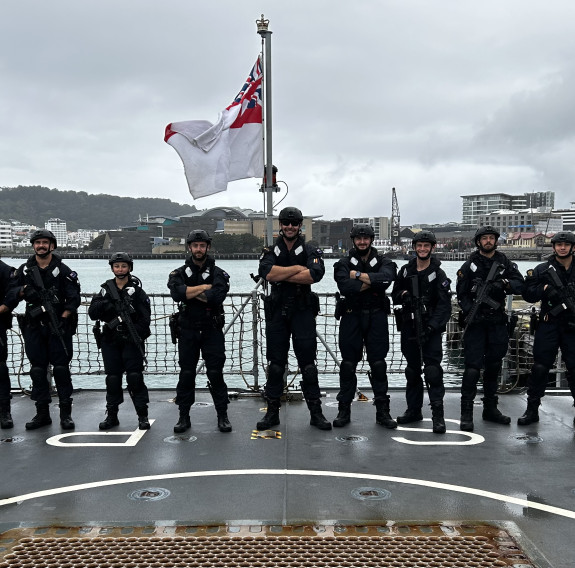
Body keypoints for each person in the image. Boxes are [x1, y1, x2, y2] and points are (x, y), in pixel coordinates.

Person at [257, 206, 331, 431]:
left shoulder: (310, 249)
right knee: (276, 366)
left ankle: (316, 414)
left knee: (308, 365)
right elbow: (267, 273)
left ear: (300, 226)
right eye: (286, 223)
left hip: (302, 311)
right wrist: (298, 269)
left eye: (294, 223)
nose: (290, 227)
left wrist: (284, 273)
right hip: (278, 312)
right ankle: (272, 413)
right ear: (281, 225)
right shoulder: (270, 250)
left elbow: (314, 275)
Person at [9, 229, 81, 430]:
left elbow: (74, 297)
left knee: (61, 369)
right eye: (37, 242)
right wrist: (24, 291)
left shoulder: (64, 270)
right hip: (34, 327)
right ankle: (42, 413)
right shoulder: (24, 270)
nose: (41, 246)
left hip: (57, 326)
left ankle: (65, 414)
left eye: (45, 242)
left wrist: (64, 317)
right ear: (33, 245)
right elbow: (13, 291)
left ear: (52, 245)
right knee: (38, 371)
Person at [456, 225, 524, 431]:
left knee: (494, 366)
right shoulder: (469, 265)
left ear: (496, 241)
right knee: (472, 369)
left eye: (491, 238)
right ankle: (466, 412)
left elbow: (520, 284)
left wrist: (503, 284)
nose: (488, 241)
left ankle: (490, 408)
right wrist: (471, 312)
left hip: (496, 322)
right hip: (476, 323)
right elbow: (461, 294)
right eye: (484, 238)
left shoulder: (505, 263)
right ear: (478, 242)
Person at [332, 223, 397, 428]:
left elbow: (387, 279)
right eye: (358, 238)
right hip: (351, 316)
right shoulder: (342, 263)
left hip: (377, 317)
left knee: (378, 364)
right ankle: (344, 410)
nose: (362, 241)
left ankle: (383, 412)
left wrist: (358, 275)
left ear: (371, 240)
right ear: (353, 240)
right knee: (348, 364)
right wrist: (372, 282)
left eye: (366, 238)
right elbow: (345, 286)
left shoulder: (385, 261)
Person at [167, 229, 232, 433]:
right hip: (187, 329)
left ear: (208, 247)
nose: (198, 249)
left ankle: (222, 415)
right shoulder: (178, 273)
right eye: (195, 245)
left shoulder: (219, 273)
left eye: (202, 245)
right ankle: (183, 416)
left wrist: (190, 292)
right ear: (189, 247)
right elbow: (178, 294)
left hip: (211, 329)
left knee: (215, 373)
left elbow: (215, 297)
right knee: (186, 374)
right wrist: (204, 287)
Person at [391, 231, 452, 433]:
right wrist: (404, 294)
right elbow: (395, 294)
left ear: (432, 248)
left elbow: (445, 306)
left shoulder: (439, 273)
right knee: (412, 371)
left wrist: (431, 327)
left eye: (426, 246)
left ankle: (438, 416)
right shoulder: (406, 270)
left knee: (433, 372)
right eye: (419, 246)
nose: (423, 249)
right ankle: (413, 410)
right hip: (409, 327)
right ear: (414, 247)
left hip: (430, 329)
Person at [88, 253, 152, 430]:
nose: (120, 270)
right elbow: (93, 312)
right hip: (110, 340)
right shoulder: (105, 290)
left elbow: (145, 320)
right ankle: (112, 415)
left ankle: (142, 415)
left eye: (123, 266)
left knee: (135, 377)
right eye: (117, 266)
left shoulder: (137, 292)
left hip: (131, 341)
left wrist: (133, 332)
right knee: (113, 379)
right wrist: (107, 304)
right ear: (112, 268)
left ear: (129, 268)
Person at [518, 231, 575, 426]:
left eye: (566, 244)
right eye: (559, 244)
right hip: (549, 323)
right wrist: (543, 289)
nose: (562, 247)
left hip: (572, 326)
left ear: (572, 247)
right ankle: (532, 410)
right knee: (540, 368)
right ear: (553, 247)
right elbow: (528, 294)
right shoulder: (542, 269)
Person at [0, 260, 18, 429]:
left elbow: (14, 290)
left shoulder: (4, 270)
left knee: (0, 368)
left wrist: (4, 306)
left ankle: (4, 411)